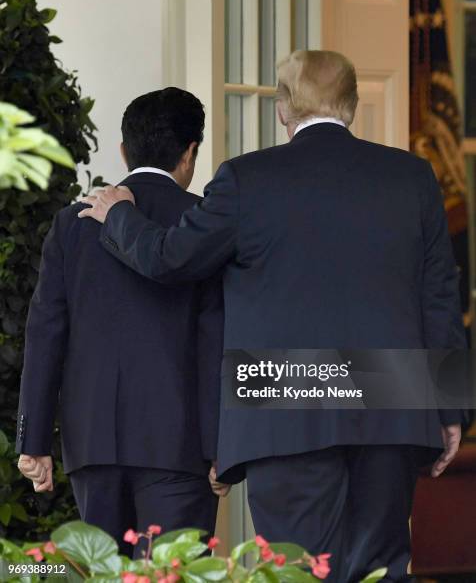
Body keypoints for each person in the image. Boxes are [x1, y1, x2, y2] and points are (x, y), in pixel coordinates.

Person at [79, 51, 466, 581]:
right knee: (381, 569)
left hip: (287, 397)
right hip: (391, 400)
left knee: (296, 570)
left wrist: (119, 214)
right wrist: (450, 410)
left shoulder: (246, 179)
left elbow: (170, 260)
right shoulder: (413, 177)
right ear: (351, 106)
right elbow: (440, 292)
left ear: (282, 109)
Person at [16, 88, 227, 556]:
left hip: (93, 443)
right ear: (191, 153)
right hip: (181, 445)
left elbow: (46, 331)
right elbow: (217, 337)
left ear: (123, 150)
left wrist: (33, 441)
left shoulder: (72, 224)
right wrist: (222, 446)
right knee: (174, 572)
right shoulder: (203, 223)